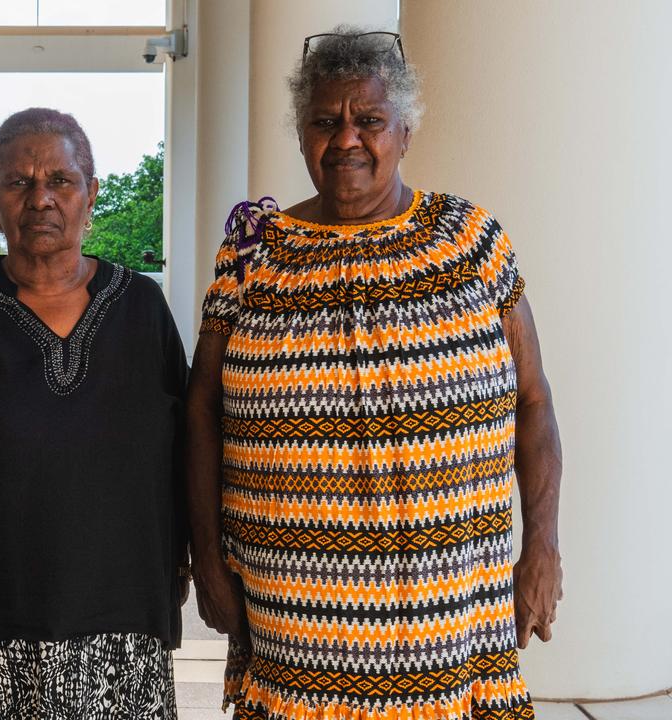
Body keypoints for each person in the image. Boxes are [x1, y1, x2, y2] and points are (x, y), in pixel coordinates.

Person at [186, 29, 564, 720]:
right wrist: (207, 560)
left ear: (406, 131)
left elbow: (534, 400)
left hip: (452, 614)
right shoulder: (252, 251)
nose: (346, 140)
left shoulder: (470, 240)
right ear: (301, 134)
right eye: (325, 121)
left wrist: (542, 547)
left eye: (369, 120)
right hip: (292, 622)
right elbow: (202, 408)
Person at [0, 108, 188, 718]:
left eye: (61, 180)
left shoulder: (143, 309)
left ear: (90, 194)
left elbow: (181, 453)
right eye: (18, 182)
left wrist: (183, 566)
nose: (40, 198)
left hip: (121, 635)